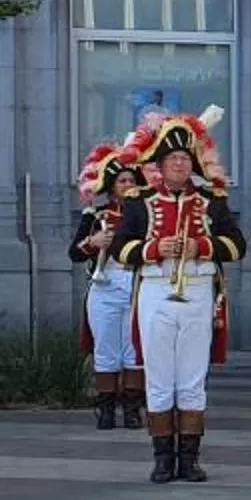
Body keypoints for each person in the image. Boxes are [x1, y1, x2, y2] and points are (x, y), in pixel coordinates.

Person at [115, 107, 243, 484]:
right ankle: (161, 458)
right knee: (158, 378)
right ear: (159, 164)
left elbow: (237, 246)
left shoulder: (212, 201)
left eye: (185, 159)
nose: (179, 165)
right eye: (172, 159)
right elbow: (122, 249)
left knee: (191, 378)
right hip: (156, 291)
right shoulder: (139, 202)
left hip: (199, 292)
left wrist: (200, 247)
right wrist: (154, 249)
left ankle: (189, 459)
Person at [68, 141, 145, 431]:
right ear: (111, 187)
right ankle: (105, 409)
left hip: (136, 282)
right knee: (106, 349)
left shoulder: (145, 214)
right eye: (121, 181)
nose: (126, 185)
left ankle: (133, 408)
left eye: (130, 180)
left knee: (135, 351)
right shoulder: (95, 215)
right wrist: (92, 242)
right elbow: (74, 253)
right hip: (106, 283)